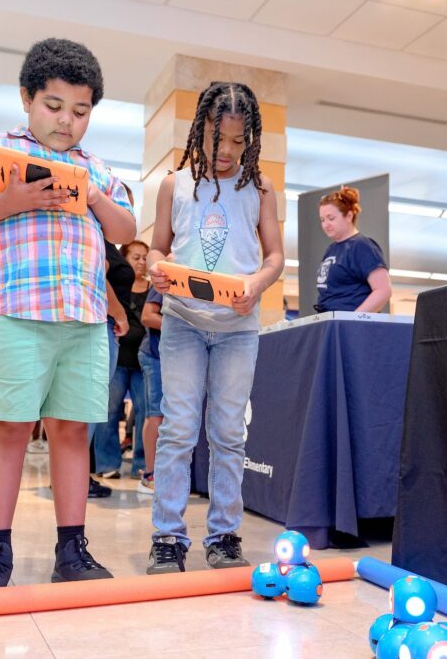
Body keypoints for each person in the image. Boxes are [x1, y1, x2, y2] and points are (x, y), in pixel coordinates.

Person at [0, 38, 135, 588]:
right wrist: (11, 201)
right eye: (53, 105)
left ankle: (73, 549)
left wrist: (95, 198)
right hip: (16, 312)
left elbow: (125, 232)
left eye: (80, 111)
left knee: (72, 431)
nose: (66, 121)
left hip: (84, 320)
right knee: (10, 428)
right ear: (27, 97)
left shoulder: (99, 169)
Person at [146, 81, 284, 574]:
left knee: (228, 432)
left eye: (237, 142)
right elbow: (159, 248)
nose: (225, 151)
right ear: (199, 129)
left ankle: (224, 535)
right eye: (215, 138)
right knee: (178, 429)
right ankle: (167, 537)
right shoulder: (174, 184)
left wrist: (257, 282)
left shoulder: (261, 188)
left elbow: (275, 257)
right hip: (182, 321)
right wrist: (155, 268)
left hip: (238, 328)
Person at [91, 239, 149, 480]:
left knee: (146, 411)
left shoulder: (152, 288)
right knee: (108, 411)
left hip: (142, 360)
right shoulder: (114, 281)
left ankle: (143, 465)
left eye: (145, 257)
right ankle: (107, 464)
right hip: (117, 355)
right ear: (124, 259)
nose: (142, 262)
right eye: (136, 257)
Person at [314, 186, 391, 313]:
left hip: (351, 326)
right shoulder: (331, 250)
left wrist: (353, 320)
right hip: (331, 323)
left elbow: (383, 290)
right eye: (322, 220)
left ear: (349, 216)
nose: (325, 225)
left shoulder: (362, 246)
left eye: (331, 218)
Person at [136, 286, 163, 495]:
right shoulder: (167, 276)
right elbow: (147, 316)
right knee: (155, 415)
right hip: (154, 355)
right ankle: (149, 475)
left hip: (171, 356)